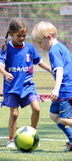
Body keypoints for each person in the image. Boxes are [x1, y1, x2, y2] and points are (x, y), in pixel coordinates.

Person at [0, 18, 51, 148]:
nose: (21, 38)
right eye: (18, 35)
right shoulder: (6, 48)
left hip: (28, 86)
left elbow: (38, 61)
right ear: (11, 34)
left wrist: (50, 69)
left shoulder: (30, 48)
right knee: (14, 114)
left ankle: (33, 133)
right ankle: (11, 140)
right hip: (12, 87)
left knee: (36, 108)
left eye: (24, 35)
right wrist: (5, 73)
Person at [32, 21, 72, 152]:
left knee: (65, 119)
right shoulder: (60, 46)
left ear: (48, 37)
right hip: (63, 89)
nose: (39, 46)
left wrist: (56, 88)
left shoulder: (54, 50)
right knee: (53, 115)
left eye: (40, 42)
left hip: (65, 89)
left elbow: (60, 70)